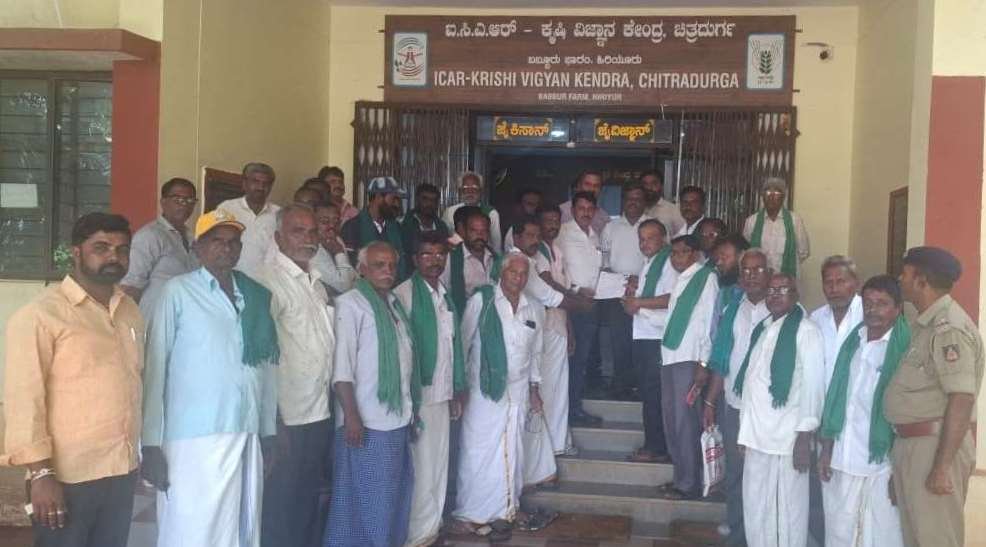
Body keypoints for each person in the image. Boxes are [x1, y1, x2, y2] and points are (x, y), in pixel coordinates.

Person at [142, 208, 279, 547]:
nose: (227, 248)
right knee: (191, 526)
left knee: (240, 527)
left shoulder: (256, 296)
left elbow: (266, 368)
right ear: (198, 248)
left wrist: (268, 430)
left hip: (245, 430)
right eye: (217, 240)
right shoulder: (177, 292)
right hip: (191, 435)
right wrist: (150, 443)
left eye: (234, 242)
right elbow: (156, 367)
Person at [3, 213, 140, 547]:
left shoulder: (130, 311)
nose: (114, 257)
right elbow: (23, 401)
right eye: (101, 247)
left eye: (122, 249)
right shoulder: (41, 315)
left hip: (121, 470)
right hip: (66, 477)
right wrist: (41, 474)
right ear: (76, 252)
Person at [885, 246, 983, 547]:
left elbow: (961, 398)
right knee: (917, 539)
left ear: (921, 280)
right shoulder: (924, 325)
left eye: (905, 274)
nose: (900, 280)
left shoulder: (948, 328)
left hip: (934, 449)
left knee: (936, 539)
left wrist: (942, 467)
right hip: (915, 447)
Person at [325, 241, 416, 547]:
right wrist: (351, 417)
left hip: (396, 418)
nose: (387, 271)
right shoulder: (350, 304)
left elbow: (405, 361)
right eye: (379, 265)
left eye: (391, 265)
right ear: (362, 269)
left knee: (392, 497)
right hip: (365, 422)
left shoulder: (394, 304)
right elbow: (342, 368)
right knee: (365, 500)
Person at [452, 253, 545, 541]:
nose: (518, 278)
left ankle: (506, 510)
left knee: (513, 449)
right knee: (478, 451)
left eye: (523, 273)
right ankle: (471, 514)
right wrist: (459, 387)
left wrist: (535, 390)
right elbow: (463, 343)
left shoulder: (532, 308)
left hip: (518, 391)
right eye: (513, 272)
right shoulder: (483, 301)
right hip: (483, 391)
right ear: (501, 273)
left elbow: (535, 353)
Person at [257, 204, 335, 547]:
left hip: (318, 409)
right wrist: (273, 419)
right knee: (280, 501)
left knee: (307, 496)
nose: (307, 238)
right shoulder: (268, 282)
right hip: (287, 415)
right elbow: (261, 356)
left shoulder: (315, 281)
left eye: (312, 231)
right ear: (278, 238)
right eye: (297, 231)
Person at [735, 273, 825, 547]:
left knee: (789, 509)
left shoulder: (806, 331)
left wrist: (805, 436)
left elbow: (813, 385)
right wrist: (744, 432)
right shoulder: (762, 328)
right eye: (771, 290)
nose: (775, 295)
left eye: (783, 289)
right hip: (756, 435)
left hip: (788, 437)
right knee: (755, 504)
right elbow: (751, 384)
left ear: (795, 295)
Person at [818, 275, 908, 547]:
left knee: (880, 535)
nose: (873, 309)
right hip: (842, 458)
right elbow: (835, 400)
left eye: (882, 303)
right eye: (868, 302)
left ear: (897, 309)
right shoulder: (853, 343)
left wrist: (898, 472)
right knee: (838, 532)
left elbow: (906, 415)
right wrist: (826, 449)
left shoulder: (905, 350)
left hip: (881, 464)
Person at [393, 231, 465, 547]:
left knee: (438, 464)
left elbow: (452, 345)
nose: (435, 260)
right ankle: (416, 535)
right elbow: (402, 352)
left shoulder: (443, 295)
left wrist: (456, 389)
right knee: (420, 467)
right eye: (427, 254)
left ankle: (432, 528)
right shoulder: (404, 295)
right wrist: (409, 403)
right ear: (414, 259)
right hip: (419, 397)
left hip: (442, 393)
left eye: (440, 254)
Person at [510, 216, 588, 486]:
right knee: (542, 396)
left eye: (536, 235)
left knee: (550, 393)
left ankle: (549, 454)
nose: (534, 240)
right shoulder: (517, 264)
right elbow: (550, 296)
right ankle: (544, 458)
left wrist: (570, 324)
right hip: (529, 342)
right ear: (516, 238)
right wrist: (585, 304)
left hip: (548, 331)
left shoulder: (534, 259)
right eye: (528, 235)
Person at [703, 248, 772, 545]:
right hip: (734, 405)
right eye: (746, 270)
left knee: (764, 476)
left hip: (768, 411)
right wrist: (710, 400)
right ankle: (737, 532)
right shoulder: (733, 308)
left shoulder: (780, 309)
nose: (751, 276)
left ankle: (762, 535)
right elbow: (723, 359)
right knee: (735, 474)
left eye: (758, 270)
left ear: (769, 274)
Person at [658, 234, 718, 500]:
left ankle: (690, 483)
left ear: (694, 253)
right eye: (673, 253)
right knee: (672, 421)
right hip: (671, 356)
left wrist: (703, 362)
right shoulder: (681, 279)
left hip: (690, 358)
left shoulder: (706, 277)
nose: (676, 257)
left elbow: (709, 322)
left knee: (685, 423)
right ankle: (680, 477)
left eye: (682, 252)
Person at [622, 219, 676, 464]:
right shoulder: (650, 263)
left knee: (654, 394)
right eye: (641, 239)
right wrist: (634, 295)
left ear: (663, 238)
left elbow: (673, 297)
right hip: (644, 333)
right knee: (648, 391)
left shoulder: (670, 262)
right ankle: (653, 444)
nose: (644, 244)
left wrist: (639, 303)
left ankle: (657, 447)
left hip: (657, 336)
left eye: (650, 238)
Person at [556, 191, 604, 427]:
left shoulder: (595, 236)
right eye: (581, 208)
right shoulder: (562, 233)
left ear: (595, 211)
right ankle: (569, 410)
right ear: (572, 210)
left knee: (582, 359)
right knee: (570, 359)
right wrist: (576, 289)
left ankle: (574, 407)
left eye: (589, 209)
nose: (585, 212)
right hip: (570, 303)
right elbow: (558, 271)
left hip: (592, 305)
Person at [535, 204, 578, 456]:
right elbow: (548, 283)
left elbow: (564, 292)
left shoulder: (557, 251)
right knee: (548, 387)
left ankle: (558, 442)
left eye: (555, 221)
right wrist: (578, 301)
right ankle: (549, 446)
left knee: (559, 386)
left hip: (559, 325)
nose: (552, 225)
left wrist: (570, 328)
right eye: (547, 220)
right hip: (545, 328)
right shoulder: (539, 250)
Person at [121, 177, 199, 317]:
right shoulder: (150, 236)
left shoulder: (193, 239)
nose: (184, 205)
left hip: (185, 319)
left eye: (190, 200)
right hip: (155, 320)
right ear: (163, 202)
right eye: (178, 199)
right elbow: (131, 286)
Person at [601, 184, 651, 398]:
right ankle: (621, 385)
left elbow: (659, 259)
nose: (633, 202)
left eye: (638, 198)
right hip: (617, 294)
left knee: (642, 341)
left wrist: (639, 280)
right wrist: (620, 282)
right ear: (623, 201)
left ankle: (641, 385)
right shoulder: (611, 227)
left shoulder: (652, 226)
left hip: (647, 294)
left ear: (644, 202)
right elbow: (604, 263)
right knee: (619, 340)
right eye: (629, 198)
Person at [217, 162, 280, 278]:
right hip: (231, 279)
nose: (260, 187)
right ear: (244, 183)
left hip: (268, 281)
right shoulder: (226, 208)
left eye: (266, 183)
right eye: (255, 181)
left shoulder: (279, 214)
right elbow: (215, 243)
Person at [811, 256, 864, 388]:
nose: (834, 289)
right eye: (828, 282)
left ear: (856, 283)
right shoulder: (816, 319)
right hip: (823, 397)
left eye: (841, 282)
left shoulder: (867, 314)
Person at [340, 176, 408, 279]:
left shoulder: (397, 228)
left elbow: (401, 263)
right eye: (393, 199)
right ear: (378, 197)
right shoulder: (353, 227)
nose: (397, 204)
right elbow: (350, 266)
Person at [742, 177, 810, 278]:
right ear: (762, 196)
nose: (772, 196)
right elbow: (746, 252)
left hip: (787, 279)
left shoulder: (795, 220)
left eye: (777, 192)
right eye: (768, 192)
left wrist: (789, 262)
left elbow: (803, 252)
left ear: (783, 197)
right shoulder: (752, 221)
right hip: (759, 279)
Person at [442, 207, 499, 314]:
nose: (479, 236)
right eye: (474, 231)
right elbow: (441, 294)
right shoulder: (451, 258)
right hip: (462, 318)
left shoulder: (496, 259)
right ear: (464, 232)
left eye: (484, 231)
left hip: (492, 318)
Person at [442, 171, 503, 253]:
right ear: (460, 191)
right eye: (466, 188)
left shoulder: (491, 213)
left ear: (481, 191)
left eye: (474, 188)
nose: (470, 192)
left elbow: (496, 245)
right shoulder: (450, 212)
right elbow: (443, 240)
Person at [401, 183, 450, 272]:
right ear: (417, 200)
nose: (429, 204)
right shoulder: (403, 224)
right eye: (425, 199)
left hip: (436, 274)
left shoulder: (442, 226)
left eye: (433, 200)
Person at [311, 202, 357, 295]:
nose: (332, 226)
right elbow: (344, 287)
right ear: (312, 223)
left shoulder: (337, 240)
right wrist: (339, 253)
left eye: (336, 222)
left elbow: (353, 276)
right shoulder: (313, 250)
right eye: (325, 222)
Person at [559, 169, 610, 235]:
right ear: (578, 186)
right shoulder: (562, 212)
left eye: (596, 186)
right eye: (587, 184)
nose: (591, 189)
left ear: (600, 189)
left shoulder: (604, 218)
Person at [641, 170, 684, 238]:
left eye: (654, 184)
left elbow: (682, 236)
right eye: (645, 184)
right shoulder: (636, 210)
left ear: (661, 186)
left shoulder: (673, 210)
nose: (649, 188)